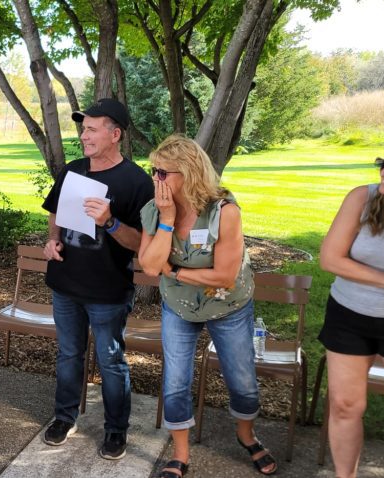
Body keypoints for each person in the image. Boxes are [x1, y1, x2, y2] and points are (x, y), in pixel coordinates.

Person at [138, 135, 274, 477]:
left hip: (228, 305)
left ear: (188, 172)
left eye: (162, 172)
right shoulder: (155, 210)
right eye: (153, 170)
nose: (156, 179)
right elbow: (151, 266)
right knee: (176, 380)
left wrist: (177, 270)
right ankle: (181, 453)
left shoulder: (224, 212)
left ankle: (247, 435)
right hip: (179, 306)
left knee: (241, 380)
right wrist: (167, 220)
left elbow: (225, 276)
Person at [40, 98, 152, 459]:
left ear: (115, 134)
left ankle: (116, 430)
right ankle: (64, 417)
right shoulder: (73, 171)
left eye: (91, 129)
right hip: (66, 285)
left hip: (108, 292)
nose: (83, 135)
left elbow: (142, 246)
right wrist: (52, 239)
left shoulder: (137, 182)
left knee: (111, 361)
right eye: (83, 128)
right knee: (69, 355)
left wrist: (110, 221)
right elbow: (55, 211)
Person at [323, 133, 384, 478]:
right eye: (383, 163)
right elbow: (331, 259)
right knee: (344, 405)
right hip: (348, 315)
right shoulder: (362, 199)